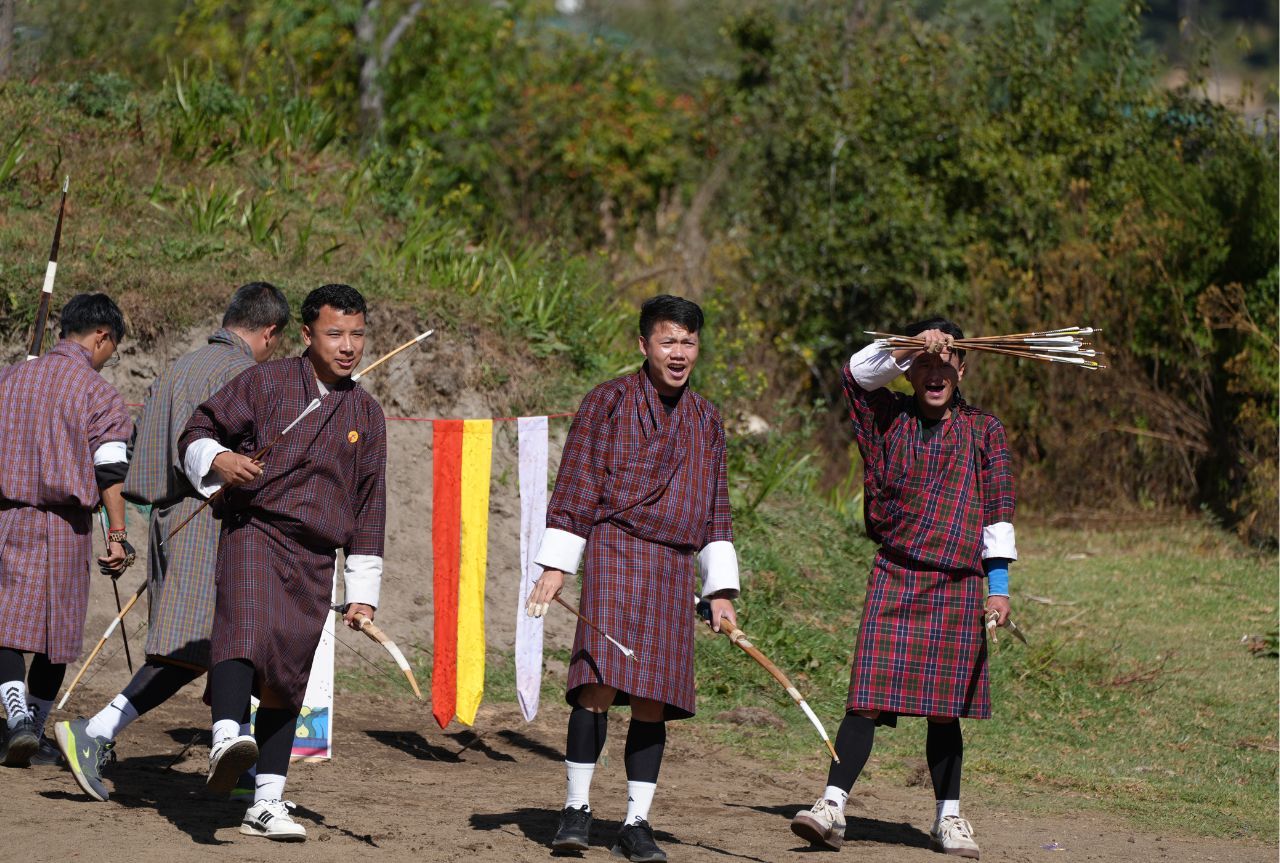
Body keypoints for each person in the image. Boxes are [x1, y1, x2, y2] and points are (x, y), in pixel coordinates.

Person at [789, 318, 1017, 860]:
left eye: (946, 362)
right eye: (925, 363)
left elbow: (999, 510)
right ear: (910, 370)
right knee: (864, 699)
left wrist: (999, 585)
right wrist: (906, 347)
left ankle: (950, 819)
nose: (936, 373)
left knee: (944, 711)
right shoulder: (886, 414)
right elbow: (855, 374)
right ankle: (831, 806)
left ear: (962, 368)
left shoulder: (985, 430)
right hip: (896, 572)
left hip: (959, 581)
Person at [55, 282, 290, 802]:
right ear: (270, 332)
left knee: (230, 647)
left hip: (171, 515)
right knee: (193, 647)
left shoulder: (178, 367)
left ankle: (242, 759)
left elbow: (142, 448)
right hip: (211, 519)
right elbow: (251, 466)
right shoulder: (246, 374)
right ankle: (94, 731)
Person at [525, 294, 739, 863]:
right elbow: (577, 482)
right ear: (643, 345)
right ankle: (575, 809)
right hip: (617, 548)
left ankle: (636, 822)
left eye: (688, 342)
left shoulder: (707, 418)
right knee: (597, 683)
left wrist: (718, 590)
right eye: (667, 341)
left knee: (654, 695)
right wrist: (555, 566)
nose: (679, 353)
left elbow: (716, 507)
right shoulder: (609, 402)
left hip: (673, 566)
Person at [176, 283, 386, 842]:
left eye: (357, 334)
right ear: (306, 334)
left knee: (287, 679)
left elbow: (369, 504)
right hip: (255, 529)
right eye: (335, 333)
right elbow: (198, 429)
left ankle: (265, 802)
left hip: (316, 555)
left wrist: (363, 588)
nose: (348, 346)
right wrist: (221, 459)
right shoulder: (265, 381)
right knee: (242, 630)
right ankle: (225, 738)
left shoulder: (367, 412)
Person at [0, 293, 134, 768]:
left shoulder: (11, 377)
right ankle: (29, 726)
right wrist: (117, 536)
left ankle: (16, 721)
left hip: (8, 515)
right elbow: (110, 474)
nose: (106, 357)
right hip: (63, 525)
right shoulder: (98, 394)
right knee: (57, 634)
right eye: (110, 348)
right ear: (101, 336)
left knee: (7, 626)